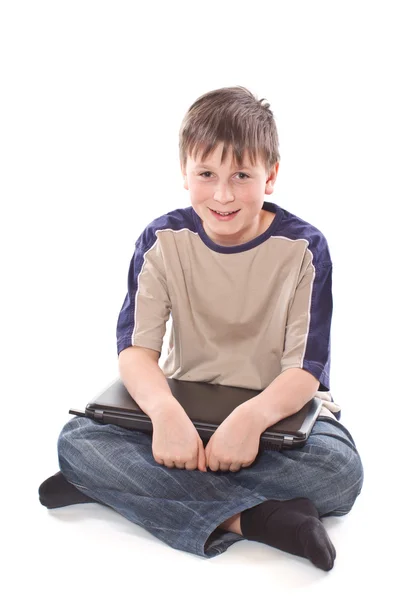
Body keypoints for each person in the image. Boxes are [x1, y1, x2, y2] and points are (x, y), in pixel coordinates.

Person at [39, 86, 364, 571]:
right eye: (206, 174)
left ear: (271, 175)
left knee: (340, 473)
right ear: (184, 174)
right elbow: (135, 350)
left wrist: (250, 421)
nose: (223, 194)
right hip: (181, 413)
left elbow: (305, 371)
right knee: (76, 440)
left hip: (273, 416)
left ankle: (116, 487)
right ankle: (256, 520)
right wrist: (166, 413)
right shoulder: (161, 240)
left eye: (242, 175)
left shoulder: (305, 248)